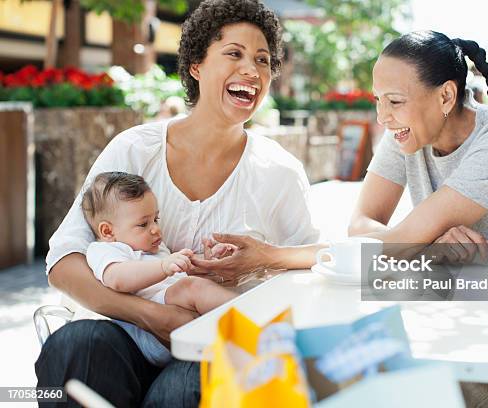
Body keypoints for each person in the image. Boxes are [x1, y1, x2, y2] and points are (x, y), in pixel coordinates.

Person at [196, 30, 488, 407]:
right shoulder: (408, 134)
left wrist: (271, 255)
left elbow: (399, 244)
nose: (383, 117)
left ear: (445, 96)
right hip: (434, 313)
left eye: (394, 101)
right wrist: (423, 244)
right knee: (321, 369)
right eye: (379, 101)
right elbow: (361, 226)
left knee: (352, 384)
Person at [35, 1, 319, 406]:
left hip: (210, 344)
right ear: (196, 66)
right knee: (75, 344)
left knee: (183, 386)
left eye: (263, 60)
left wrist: (265, 257)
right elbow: (64, 263)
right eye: (234, 54)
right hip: (124, 337)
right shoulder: (135, 149)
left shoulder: (279, 171)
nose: (252, 71)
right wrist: (152, 315)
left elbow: (313, 260)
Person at [82, 172, 236, 367]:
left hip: (177, 312)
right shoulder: (105, 250)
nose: (155, 229)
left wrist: (207, 260)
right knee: (192, 287)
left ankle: (239, 328)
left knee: (196, 285)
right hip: (151, 332)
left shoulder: (155, 247)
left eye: (156, 219)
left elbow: (180, 270)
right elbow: (117, 279)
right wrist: (163, 267)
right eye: (143, 224)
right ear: (108, 231)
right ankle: (254, 319)